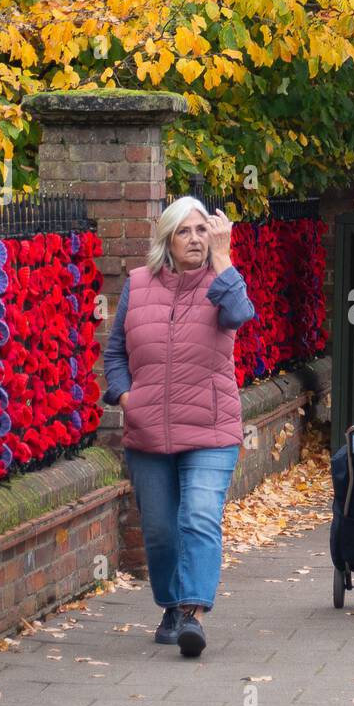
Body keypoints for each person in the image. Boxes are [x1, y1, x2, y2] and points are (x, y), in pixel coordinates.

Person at [102, 197, 257, 658]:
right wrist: (127, 396)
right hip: (148, 431)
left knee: (199, 516)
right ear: (167, 239)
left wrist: (225, 256)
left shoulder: (223, 283)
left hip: (211, 427)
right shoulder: (137, 284)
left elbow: (240, 315)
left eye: (201, 231)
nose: (194, 239)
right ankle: (170, 604)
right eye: (184, 231)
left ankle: (193, 612)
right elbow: (114, 353)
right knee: (161, 530)